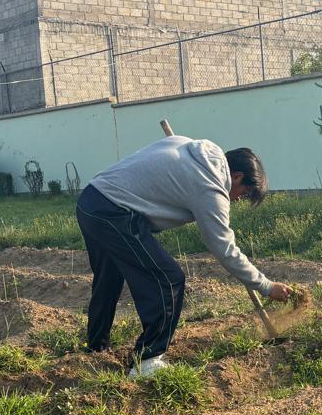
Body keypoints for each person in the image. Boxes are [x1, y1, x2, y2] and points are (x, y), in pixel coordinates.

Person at [76, 135, 293, 378]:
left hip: (90, 201)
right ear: (237, 177)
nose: (238, 199)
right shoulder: (210, 186)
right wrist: (266, 286)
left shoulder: (192, 146)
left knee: (109, 278)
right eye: (243, 194)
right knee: (168, 279)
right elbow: (224, 249)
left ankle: (96, 348)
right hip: (114, 212)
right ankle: (147, 361)